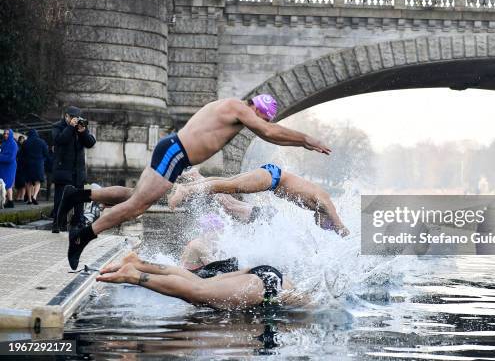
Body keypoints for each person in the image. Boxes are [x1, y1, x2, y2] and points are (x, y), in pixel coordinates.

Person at [56, 95, 331, 270]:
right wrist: (306, 140)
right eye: (262, 118)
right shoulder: (238, 107)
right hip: (176, 153)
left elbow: (267, 132)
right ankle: (82, 236)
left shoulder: (231, 108)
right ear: (257, 110)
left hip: (176, 154)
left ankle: (76, 196)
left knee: (134, 197)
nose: (260, 124)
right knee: (138, 205)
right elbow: (270, 132)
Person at [169, 163, 349, 237]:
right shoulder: (327, 205)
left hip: (272, 177)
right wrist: (343, 233)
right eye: (325, 225)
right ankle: (185, 190)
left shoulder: (320, 208)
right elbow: (340, 226)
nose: (320, 224)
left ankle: (196, 177)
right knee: (229, 186)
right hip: (274, 178)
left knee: (227, 184)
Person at [97, 251, 308, 310]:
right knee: (197, 292)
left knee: (198, 284)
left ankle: (138, 263)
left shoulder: (310, 296)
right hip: (265, 286)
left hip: (263, 276)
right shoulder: (313, 304)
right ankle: (134, 275)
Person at [51, 106, 96, 233]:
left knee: (79, 199)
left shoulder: (80, 128)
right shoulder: (57, 127)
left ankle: (79, 223)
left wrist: (83, 132)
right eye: (73, 118)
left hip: (78, 171)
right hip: (63, 169)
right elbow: (60, 140)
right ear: (66, 116)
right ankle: (57, 224)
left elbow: (90, 143)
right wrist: (70, 127)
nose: (75, 120)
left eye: (77, 118)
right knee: (60, 199)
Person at [22, 129, 49, 205]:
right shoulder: (42, 142)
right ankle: (34, 196)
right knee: (38, 182)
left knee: (28, 182)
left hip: (28, 164)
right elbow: (46, 153)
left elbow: (21, 154)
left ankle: (30, 200)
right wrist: (43, 160)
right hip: (38, 164)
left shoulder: (25, 142)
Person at [0, 129, 18, 209]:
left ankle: (9, 201)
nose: (5, 135)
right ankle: (10, 201)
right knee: (6, 184)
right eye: (4, 133)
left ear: (10, 134)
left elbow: (11, 158)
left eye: (7, 134)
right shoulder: (4, 143)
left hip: (9, 166)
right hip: (3, 166)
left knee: (7, 184)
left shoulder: (13, 144)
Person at [14, 135, 27, 203]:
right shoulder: (22, 147)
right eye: (22, 139)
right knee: (21, 183)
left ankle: (21, 197)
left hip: (20, 166)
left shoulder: (19, 147)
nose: (22, 141)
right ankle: (20, 197)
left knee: (21, 183)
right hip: (21, 166)